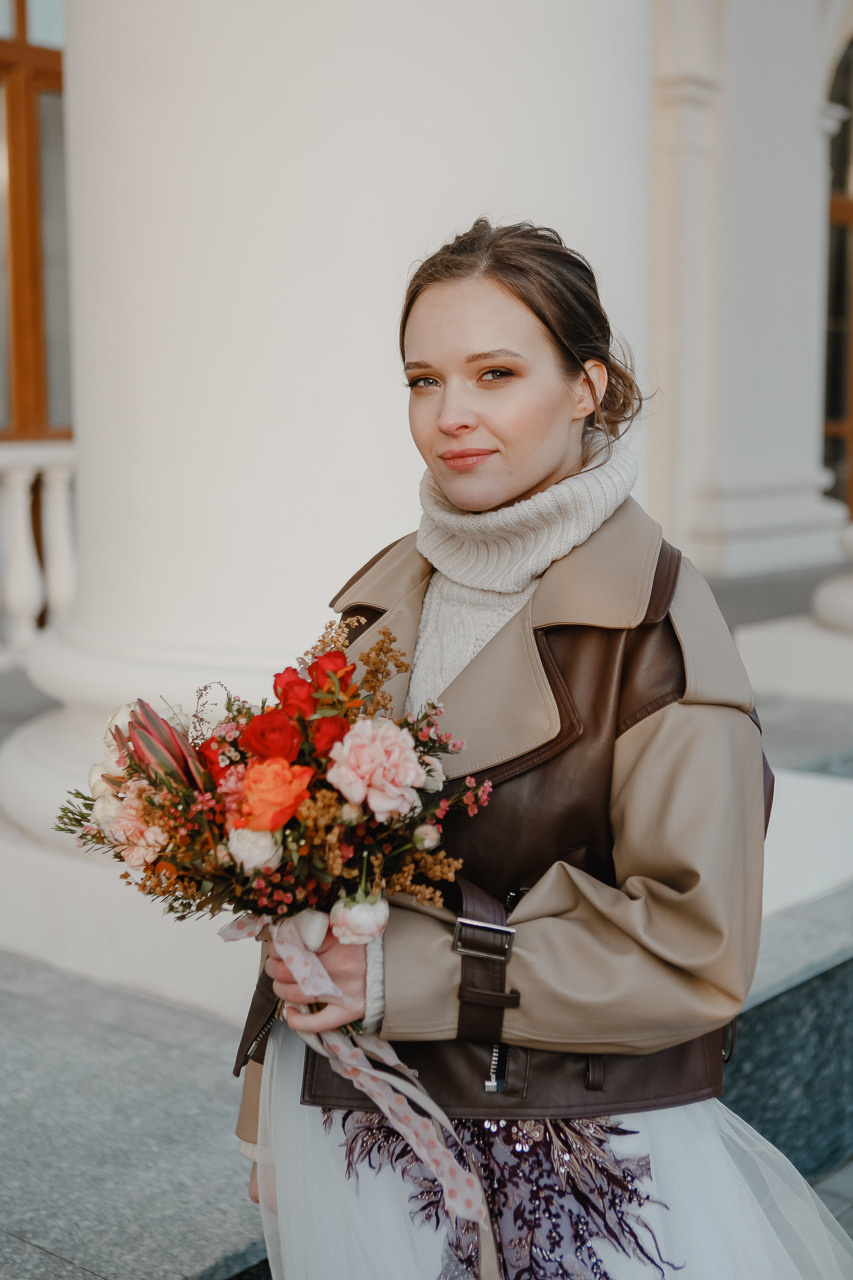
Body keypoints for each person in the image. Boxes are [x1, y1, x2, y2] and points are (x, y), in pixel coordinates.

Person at [233, 219, 853, 1279]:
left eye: (496, 373)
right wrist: (266, 1107)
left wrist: (403, 971)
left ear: (585, 388)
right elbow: (306, 879)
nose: (450, 414)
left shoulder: (654, 628)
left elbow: (692, 949)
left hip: (561, 1155)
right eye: (422, 380)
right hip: (351, 1127)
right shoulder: (381, 596)